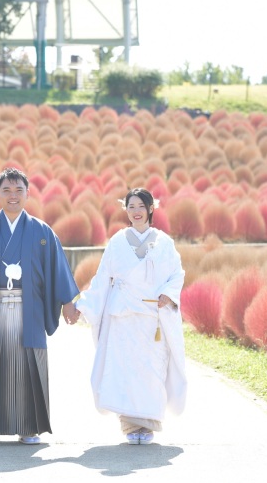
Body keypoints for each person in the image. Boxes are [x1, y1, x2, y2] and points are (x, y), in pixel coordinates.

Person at [0, 167, 80, 445]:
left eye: (18, 190)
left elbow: (57, 269)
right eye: (6, 190)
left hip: (29, 308)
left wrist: (68, 302)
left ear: (27, 193)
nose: (13, 196)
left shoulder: (41, 232)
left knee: (30, 363)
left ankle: (29, 428)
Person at [74, 187, 187, 445]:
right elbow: (102, 278)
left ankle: (147, 426)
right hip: (122, 317)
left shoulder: (164, 242)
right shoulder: (117, 241)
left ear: (150, 209)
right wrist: (85, 305)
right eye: (130, 206)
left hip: (151, 318)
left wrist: (168, 294)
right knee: (124, 370)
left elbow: (177, 275)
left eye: (140, 206)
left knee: (151, 372)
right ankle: (129, 425)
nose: (135, 211)